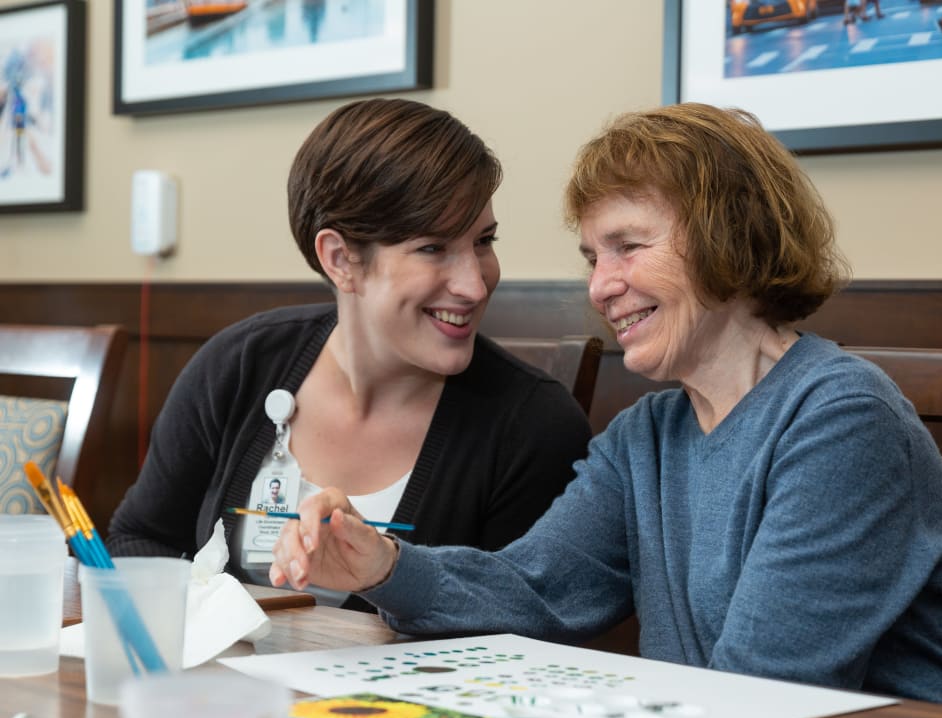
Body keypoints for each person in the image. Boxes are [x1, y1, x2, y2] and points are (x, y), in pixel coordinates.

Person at [270, 102, 942, 710]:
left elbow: (766, 691)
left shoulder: (841, 419)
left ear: (728, 238)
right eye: (593, 258)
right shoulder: (646, 436)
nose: (601, 286)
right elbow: (536, 590)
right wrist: (383, 565)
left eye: (627, 246)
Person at [107, 98, 593, 610]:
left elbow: (523, 622)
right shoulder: (240, 364)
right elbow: (140, 540)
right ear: (340, 259)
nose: (475, 284)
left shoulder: (533, 426)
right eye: (433, 248)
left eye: (484, 241)